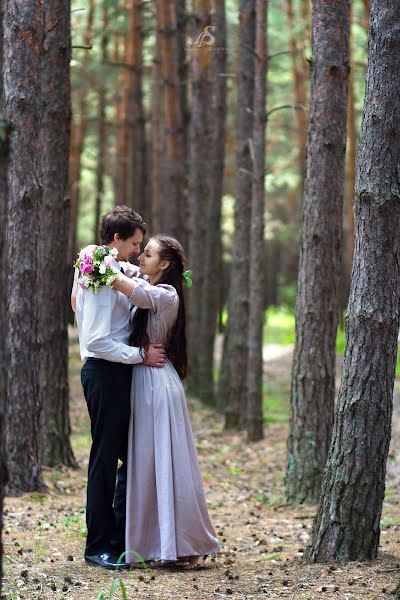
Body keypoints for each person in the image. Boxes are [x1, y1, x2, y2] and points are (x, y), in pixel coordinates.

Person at [112, 234, 220, 570]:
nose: (141, 258)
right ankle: (154, 543)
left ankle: (186, 543)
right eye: (141, 253)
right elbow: (129, 276)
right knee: (145, 465)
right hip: (142, 382)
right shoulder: (143, 279)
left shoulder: (167, 294)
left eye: (148, 254)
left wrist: (96, 263)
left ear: (166, 264)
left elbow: (135, 291)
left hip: (157, 387)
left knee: (165, 463)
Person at [73, 206, 166, 571]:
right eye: (134, 244)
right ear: (116, 239)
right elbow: (97, 341)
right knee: (105, 459)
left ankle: (120, 536)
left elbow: (78, 301)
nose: (136, 252)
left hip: (119, 372)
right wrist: (140, 354)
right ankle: (98, 545)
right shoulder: (96, 275)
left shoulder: (103, 267)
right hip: (105, 371)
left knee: (127, 454)